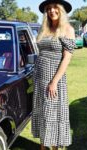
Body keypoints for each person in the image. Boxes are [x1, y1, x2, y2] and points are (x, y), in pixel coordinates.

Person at [32, 0, 75, 150]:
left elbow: (67, 58)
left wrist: (54, 82)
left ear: (61, 10)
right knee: (42, 113)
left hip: (54, 78)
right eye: (49, 9)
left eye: (55, 8)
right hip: (39, 77)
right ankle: (43, 147)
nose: (52, 11)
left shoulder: (67, 29)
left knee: (53, 115)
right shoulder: (44, 29)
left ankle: (54, 148)